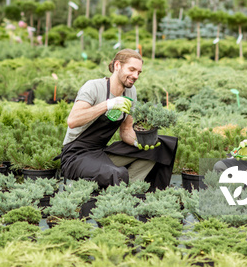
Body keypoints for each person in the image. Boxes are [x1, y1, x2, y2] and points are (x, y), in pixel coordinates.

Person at [60, 49, 178, 190]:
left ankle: (129, 192)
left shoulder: (130, 92)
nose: (136, 76)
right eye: (132, 69)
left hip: (100, 151)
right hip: (76, 155)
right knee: (115, 173)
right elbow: (73, 121)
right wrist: (108, 104)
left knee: (160, 147)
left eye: (139, 72)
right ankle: (85, 187)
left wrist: (137, 143)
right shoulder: (94, 87)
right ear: (117, 66)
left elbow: (126, 130)